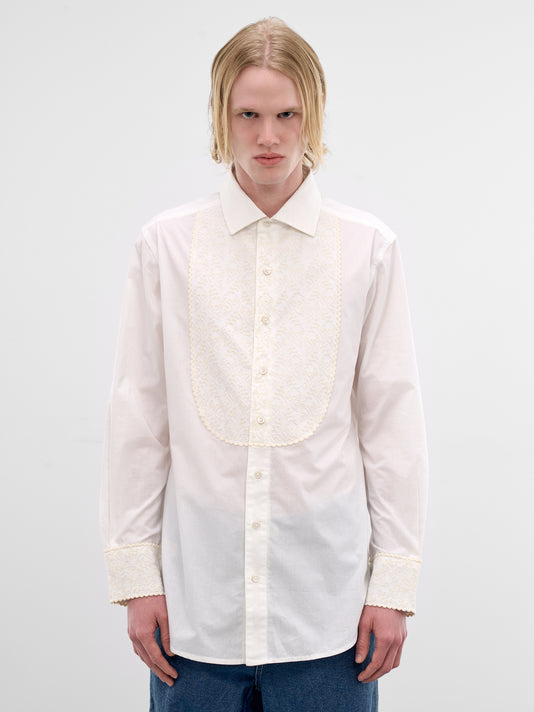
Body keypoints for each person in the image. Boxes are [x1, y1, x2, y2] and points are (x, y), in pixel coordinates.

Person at [101, 17, 428, 712]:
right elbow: (140, 419)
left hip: (330, 620)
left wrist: (393, 588)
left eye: (288, 114)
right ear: (221, 116)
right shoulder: (167, 246)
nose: (269, 136)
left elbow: (391, 425)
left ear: (314, 113)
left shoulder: (367, 249)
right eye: (248, 115)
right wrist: (136, 578)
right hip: (195, 617)